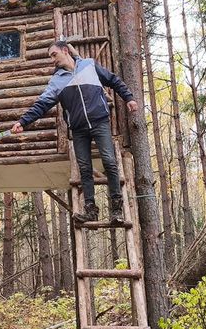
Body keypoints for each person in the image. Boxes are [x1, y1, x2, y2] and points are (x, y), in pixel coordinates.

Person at [11, 41, 139, 223]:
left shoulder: (89, 65)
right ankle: (90, 210)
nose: (52, 60)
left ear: (65, 51)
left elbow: (113, 80)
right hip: (78, 129)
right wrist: (23, 122)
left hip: (100, 122)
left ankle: (116, 211)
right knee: (85, 169)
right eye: (50, 57)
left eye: (54, 54)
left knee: (110, 162)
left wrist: (129, 98)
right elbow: (42, 104)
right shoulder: (57, 80)